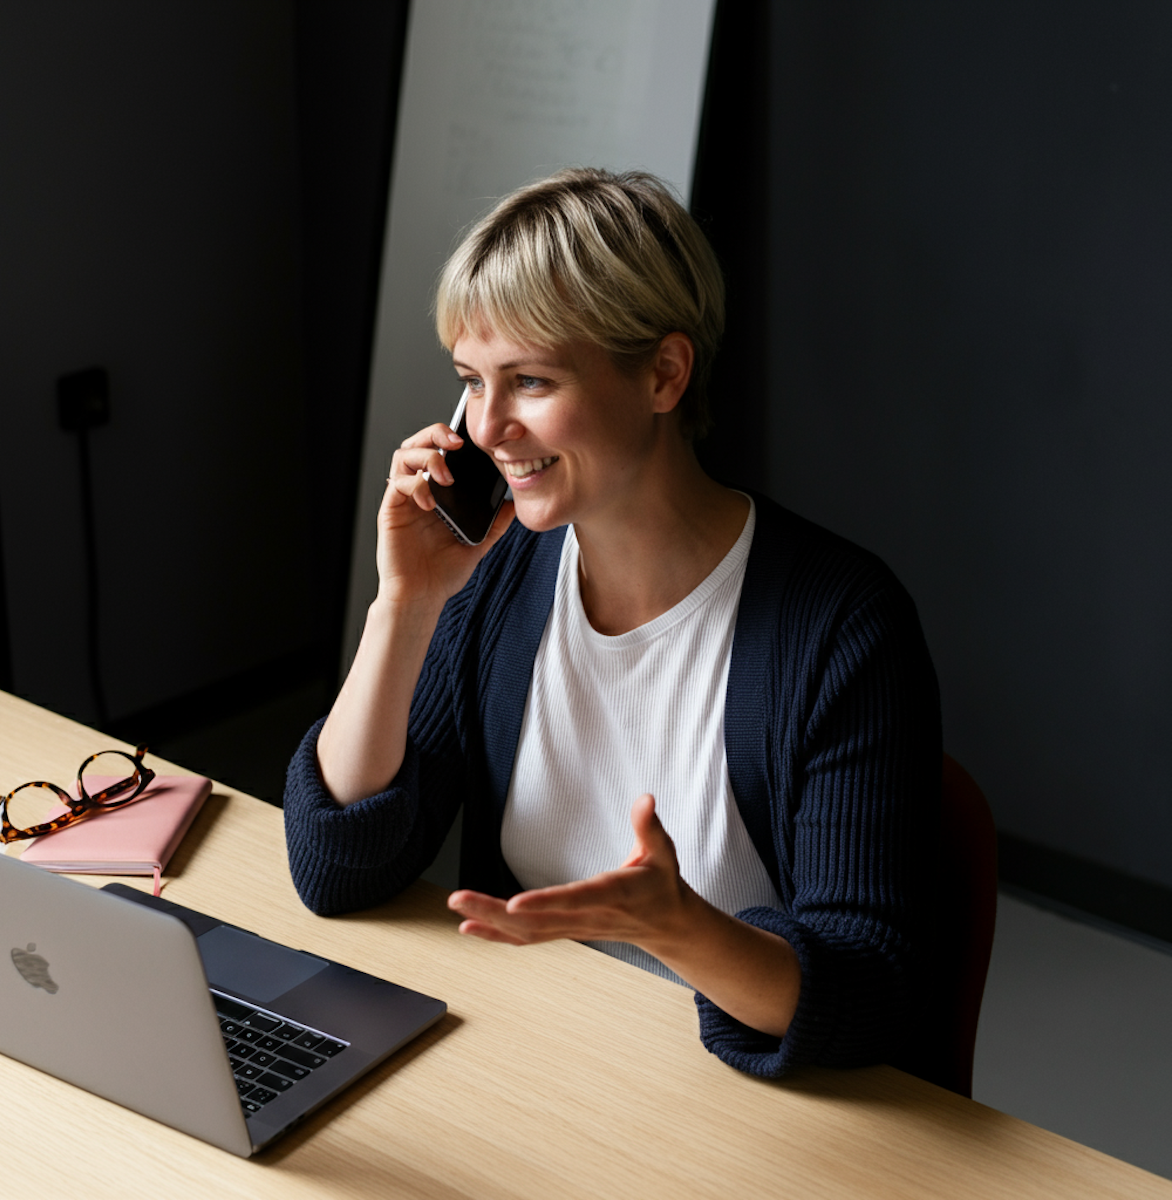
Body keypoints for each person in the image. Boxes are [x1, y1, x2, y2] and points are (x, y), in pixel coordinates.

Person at [284, 167, 942, 1080]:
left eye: (531, 380)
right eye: (472, 382)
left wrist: (678, 928)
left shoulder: (842, 625)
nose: (488, 429)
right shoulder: (495, 571)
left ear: (665, 373)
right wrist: (406, 602)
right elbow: (336, 867)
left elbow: (871, 994)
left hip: (736, 1102)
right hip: (539, 1063)